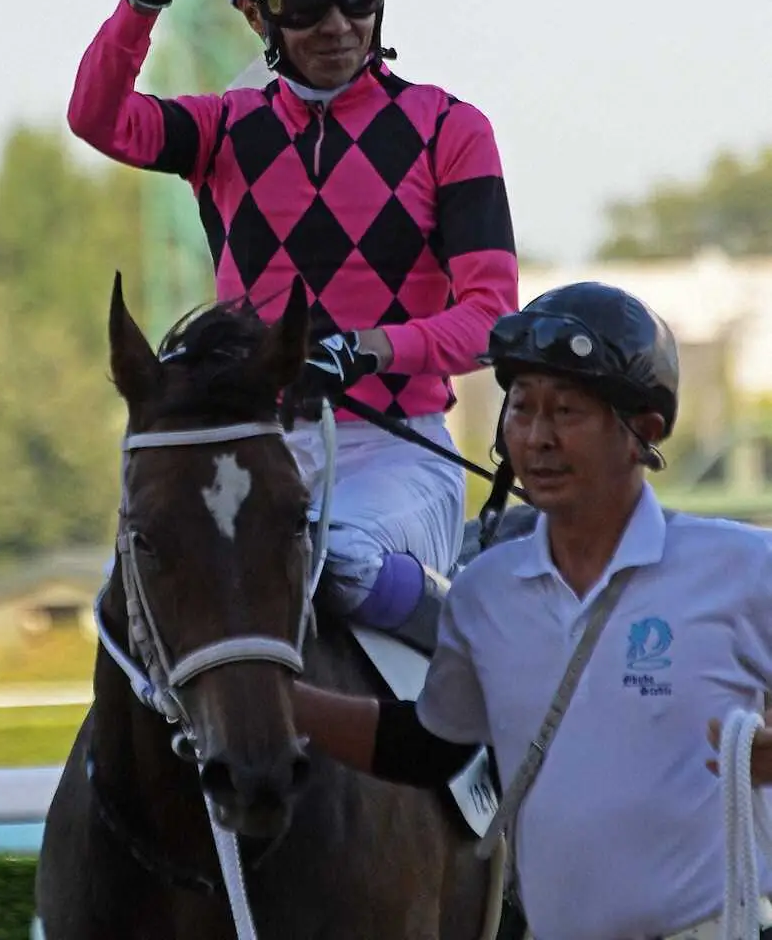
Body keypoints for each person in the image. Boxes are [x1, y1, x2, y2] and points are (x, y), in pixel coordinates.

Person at [67, 0, 518, 650]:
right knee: (138, 599)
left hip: (395, 449)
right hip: (252, 443)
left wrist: (363, 350)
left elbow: (491, 317)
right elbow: (97, 118)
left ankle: (488, 666)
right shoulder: (222, 130)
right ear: (253, 13)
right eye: (304, 5)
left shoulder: (450, 128)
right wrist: (142, 2)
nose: (339, 24)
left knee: (332, 556)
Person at [291, 281, 772, 940]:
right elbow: (431, 747)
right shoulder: (482, 595)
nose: (538, 438)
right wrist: (272, 697)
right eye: (521, 409)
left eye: (567, 412)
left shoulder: (742, 567)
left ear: (645, 432)